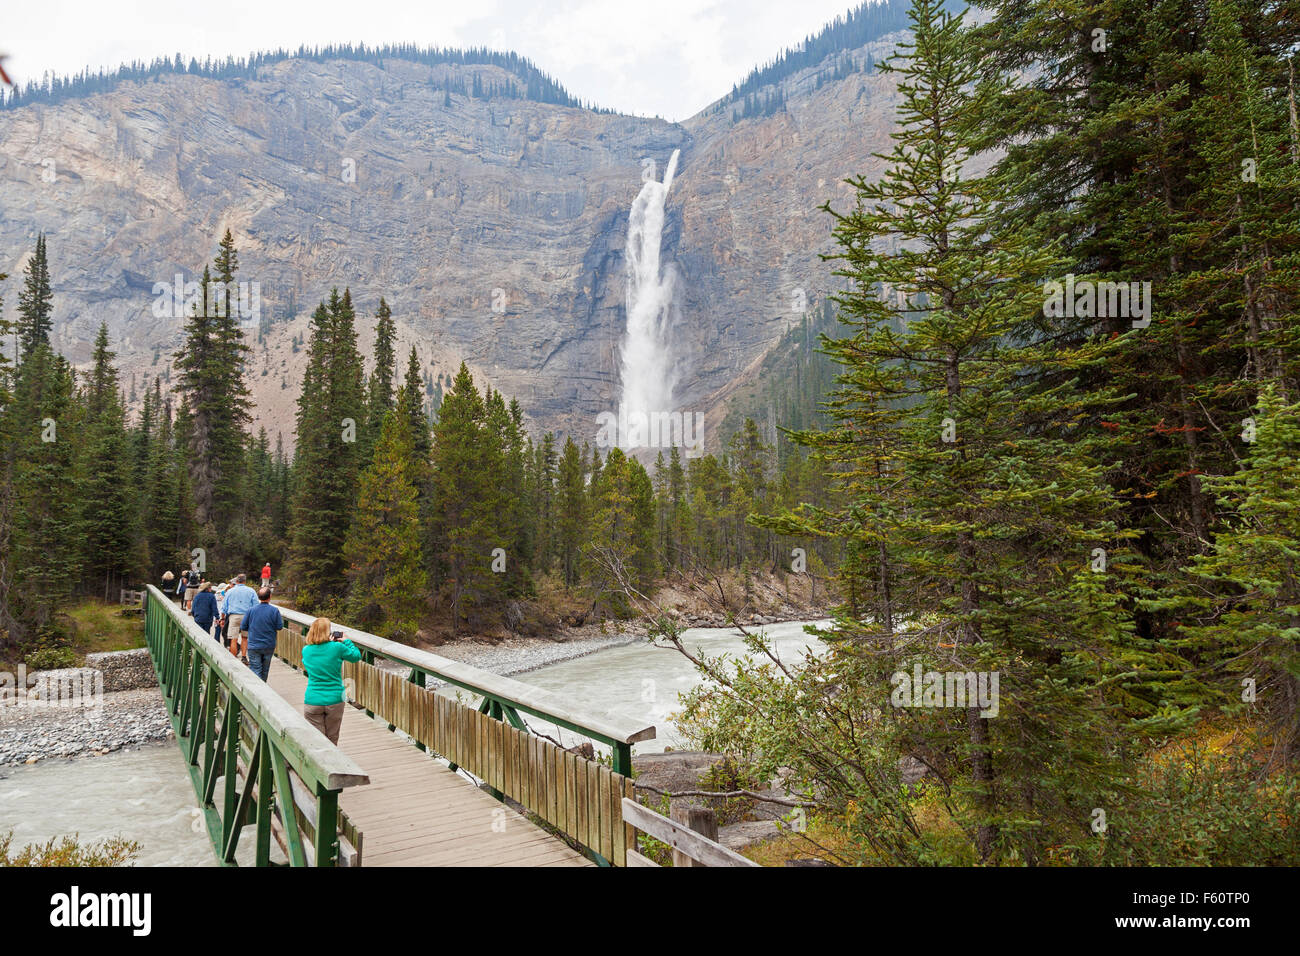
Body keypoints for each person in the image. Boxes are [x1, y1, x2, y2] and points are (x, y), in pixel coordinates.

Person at [301, 617, 361, 745]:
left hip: (313, 699)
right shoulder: (337, 648)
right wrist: (346, 641)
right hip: (335, 699)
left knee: (317, 741)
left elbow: (308, 664)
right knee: (332, 738)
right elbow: (356, 656)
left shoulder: (306, 650)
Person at [241, 587, 284, 681]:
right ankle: (263, 689)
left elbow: (243, 626)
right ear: (270, 597)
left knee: (256, 669)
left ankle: (256, 692)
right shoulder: (274, 611)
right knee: (265, 670)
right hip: (268, 645)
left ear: (258, 597)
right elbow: (279, 627)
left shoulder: (251, 610)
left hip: (254, 645)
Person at [222, 574, 259, 663]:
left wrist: (222, 618)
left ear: (236, 581)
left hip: (234, 616)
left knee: (233, 639)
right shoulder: (251, 591)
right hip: (246, 616)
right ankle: (244, 657)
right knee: (244, 638)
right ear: (245, 581)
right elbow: (256, 605)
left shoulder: (230, 591)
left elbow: (224, 607)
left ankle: (233, 659)